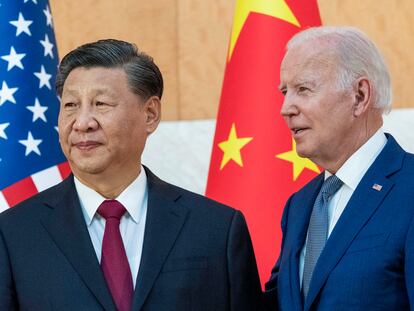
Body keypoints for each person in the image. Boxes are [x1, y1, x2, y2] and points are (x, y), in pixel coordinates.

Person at [0, 39, 262, 311]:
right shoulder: (12, 234)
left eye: (100, 103)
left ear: (150, 114)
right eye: (70, 106)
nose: (82, 122)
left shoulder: (217, 228)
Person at [264, 26, 414, 311]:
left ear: (359, 96)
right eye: (285, 92)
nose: (286, 108)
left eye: (303, 89)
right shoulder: (299, 204)